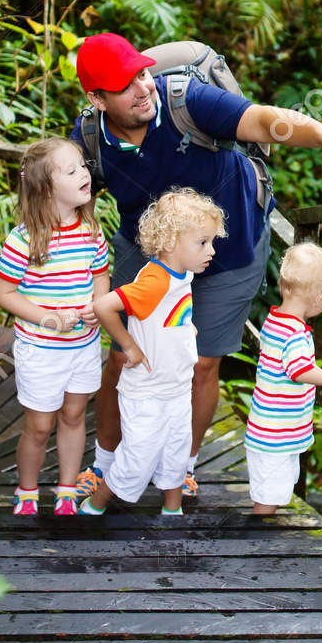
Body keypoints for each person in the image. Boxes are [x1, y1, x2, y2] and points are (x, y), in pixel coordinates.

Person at [70, 33, 322, 501]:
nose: (144, 87)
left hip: (229, 245)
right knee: (121, 358)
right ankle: (106, 464)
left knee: (204, 361)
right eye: (125, 85)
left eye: (143, 74)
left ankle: (181, 466)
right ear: (96, 98)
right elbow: (70, 207)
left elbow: (263, 120)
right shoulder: (90, 138)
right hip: (148, 246)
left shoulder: (185, 101)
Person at [77, 188, 224, 517]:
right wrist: (128, 344)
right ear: (170, 242)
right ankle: (94, 504)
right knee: (137, 456)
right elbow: (103, 306)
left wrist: (186, 328)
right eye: (203, 242)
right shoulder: (154, 282)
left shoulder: (182, 273)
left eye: (211, 241)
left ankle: (172, 510)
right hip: (147, 390)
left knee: (176, 451)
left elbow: (171, 314)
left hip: (175, 385)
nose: (211, 250)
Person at [0, 137, 110, 516]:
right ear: (45, 187)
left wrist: (97, 305)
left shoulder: (92, 232)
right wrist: (46, 317)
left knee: (75, 416)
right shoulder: (24, 239)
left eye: (83, 166)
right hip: (41, 348)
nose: (84, 174)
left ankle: (66, 489)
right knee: (40, 426)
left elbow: (100, 275)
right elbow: (4, 292)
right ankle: (27, 491)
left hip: (83, 345)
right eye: (71, 170)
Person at [245, 242, 322, 514]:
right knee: (268, 498)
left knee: (269, 491)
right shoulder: (295, 333)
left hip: (267, 429)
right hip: (276, 435)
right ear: (319, 298)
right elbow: (300, 371)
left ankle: (262, 527)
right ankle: (258, 540)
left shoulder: (274, 321)